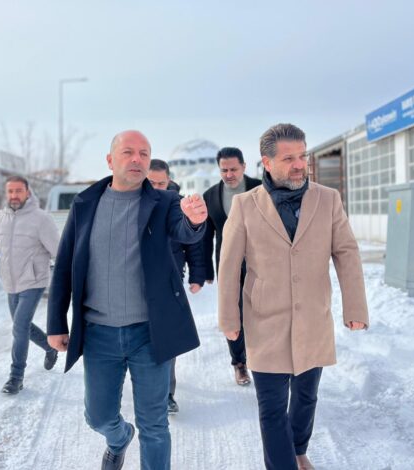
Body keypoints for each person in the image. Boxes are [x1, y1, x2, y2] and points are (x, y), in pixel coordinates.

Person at [46, 130, 208, 470]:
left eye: (144, 153)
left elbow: (183, 229)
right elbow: (64, 265)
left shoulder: (164, 202)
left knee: (155, 424)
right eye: (128, 152)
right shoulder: (85, 204)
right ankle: (119, 437)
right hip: (99, 334)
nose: (137, 159)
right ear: (110, 160)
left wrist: (195, 221)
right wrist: (56, 323)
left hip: (150, 334)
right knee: (97, 416)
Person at [217, 123, 369, 470]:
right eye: (289, 159)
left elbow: (346, 252)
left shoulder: (328, 199)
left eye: (303, 156)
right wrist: (229, 318)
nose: (300, 164)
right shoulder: (245, 205)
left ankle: (298, 450)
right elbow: (229, 265)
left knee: (305, 397)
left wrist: (355, 307)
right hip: (264, 321)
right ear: (267, 162)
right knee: (271, 408)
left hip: (313, 318)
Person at [0, 175, 60, 394]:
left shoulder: (41, 219)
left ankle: (16, 377)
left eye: (18, 191)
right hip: (10, 282)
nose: (14, 195)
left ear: (27, 192)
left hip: (34, 280)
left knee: (19, 327)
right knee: (23, 326)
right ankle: (49, 347)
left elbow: (58, 251)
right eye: (10, 191)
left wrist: (71, 277)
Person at [147, 159, 205, 415]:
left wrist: (197, 275)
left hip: (170, 278)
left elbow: (193, 242)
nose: (156, 187)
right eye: (151, 182)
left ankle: (167, 394)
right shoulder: (132, 202)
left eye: (161, 183)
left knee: (166, 335)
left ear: (169, 181)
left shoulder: (178, 204)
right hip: (138, 281)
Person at [202, 147, 261, 385]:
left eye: (234, 169)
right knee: (232, 313)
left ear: (244, 167)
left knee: (262, 310)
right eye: (224, 170)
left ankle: (263, 359)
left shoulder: (260, 188)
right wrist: (206, 269)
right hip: (227, 264)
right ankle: (239, 363)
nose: (229, 174)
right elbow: (206, 236)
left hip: (261, 261)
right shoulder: (210, 196)